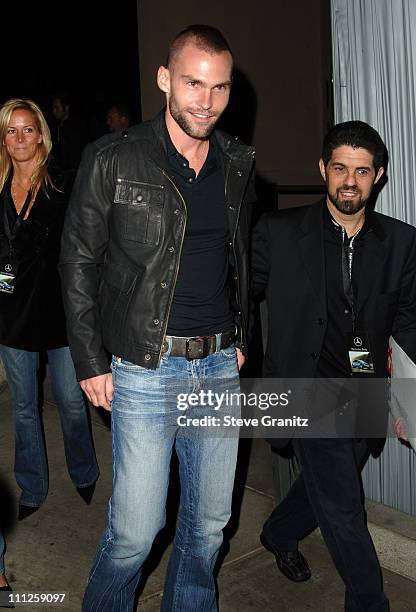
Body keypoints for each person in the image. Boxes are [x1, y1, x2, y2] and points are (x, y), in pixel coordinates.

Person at [60, 24, 255, 612]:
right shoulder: (114, 157)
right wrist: (91, 361)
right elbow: (78, 263)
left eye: (219, 88)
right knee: (136, 531)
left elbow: (242, 259)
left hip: (219, 365)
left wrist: (241, 336)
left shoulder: (238, 161)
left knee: (209, 525)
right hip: (145, 367)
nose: (206, 101)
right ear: (165, 79)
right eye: (194, 83)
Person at [252, 120, 416, 611]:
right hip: (305, 390)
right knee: (345, 508)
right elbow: (236, 299)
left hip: (363, 391)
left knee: (324, 486)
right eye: (340, 168)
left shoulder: (401, 243)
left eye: (362, 171)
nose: (350, 181)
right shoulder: (279, 233)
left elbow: (407, 319)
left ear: (379, 175)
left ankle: (279, 532)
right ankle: (369, 602)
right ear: (323, 169)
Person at [0, 98, 99, 520]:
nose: (19, 138)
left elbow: (87, 245)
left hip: (60, 312)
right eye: (10, 130)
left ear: (41, 134)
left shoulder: (63, 184)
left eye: (27, 129)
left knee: (72, 401)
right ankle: (32, 486)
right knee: (23, 406)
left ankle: (83, 471)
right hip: (10, 314)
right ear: (3, 139)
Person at [50, 91, 87, 172]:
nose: (54, 111)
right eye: (53, 108)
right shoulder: (57, 127)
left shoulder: (77, 127)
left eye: (57, 108)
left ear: (66, 108)